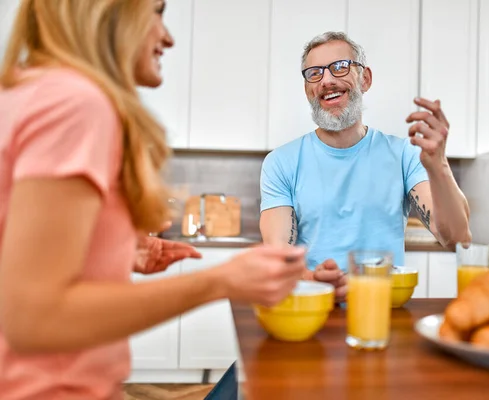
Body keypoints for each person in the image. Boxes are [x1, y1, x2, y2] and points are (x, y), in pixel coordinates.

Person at [0, 1, 306, 399]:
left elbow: (19, 253)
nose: (168, 37)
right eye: (157, 11)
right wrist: (219, 280)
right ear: (107, 11)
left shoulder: (27, 91)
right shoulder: (77, 104)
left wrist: (113, 253)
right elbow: (33, 316)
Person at [259, 31, 472, 302]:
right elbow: (278, 255)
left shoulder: (405, 154)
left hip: (382, 311)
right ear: (307, 89)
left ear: (365, 78)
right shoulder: (281, 162)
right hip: (311, 308)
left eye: (339, 67)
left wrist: (439, 164)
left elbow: (458, 239)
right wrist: (320, 282)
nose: (326, 80)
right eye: (314, 73)